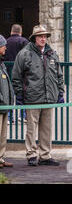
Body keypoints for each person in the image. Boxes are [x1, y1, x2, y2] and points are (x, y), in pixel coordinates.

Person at [12, 25, 64, 166]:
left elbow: (59, 75)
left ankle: (45, 155)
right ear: (34, 38)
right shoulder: (24, 54)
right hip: (32, 98)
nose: (43, 39)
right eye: (40, 36)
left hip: (49, 98)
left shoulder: (52, 53)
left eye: (45, 36)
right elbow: (16, 77)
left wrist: (60, 91)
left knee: (46, 129)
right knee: (31, 129)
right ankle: (31, 155)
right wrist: (20, 95)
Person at [5, 24, 29, 123]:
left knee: (9, 94)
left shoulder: (5, 42)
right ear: (20, 32)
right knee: (23, 93)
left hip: (8, 71)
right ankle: (22, 115)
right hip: (21, 72)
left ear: (11, 31)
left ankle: (9, 117)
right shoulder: (24, 41)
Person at [0, 35, 14, 168]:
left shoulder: (2, 64)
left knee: (3, 135)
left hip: (4, 106)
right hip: (1, 105)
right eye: (3, 45)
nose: (5, 47)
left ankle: (1, 158)